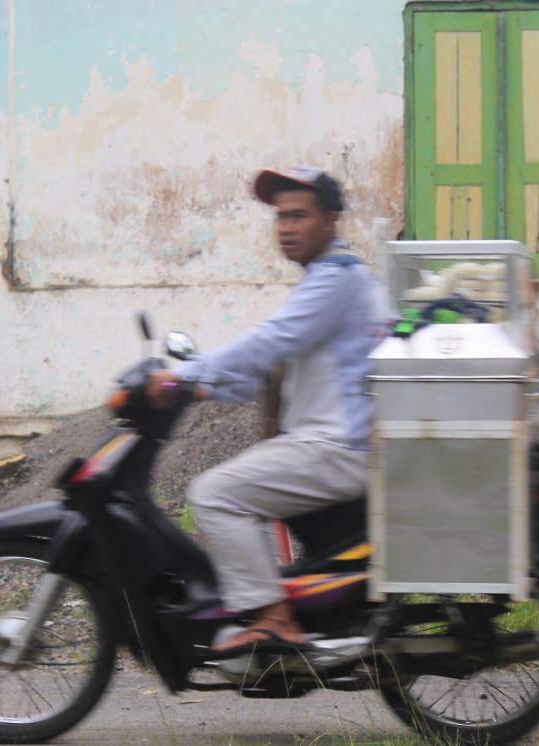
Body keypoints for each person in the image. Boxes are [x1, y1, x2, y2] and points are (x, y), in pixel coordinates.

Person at [147, 167, 382, 653]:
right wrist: (203, 388)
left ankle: (273, 618)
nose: (286, 228)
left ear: (331, 220)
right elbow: (270, 366)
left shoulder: (339, 279)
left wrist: (185, 374)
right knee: (235, 490)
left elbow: (274, 339)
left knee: (214, 494)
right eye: (280, 218)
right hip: (329, 443)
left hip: (337, 447)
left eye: (299, 216)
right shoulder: (331, 279)